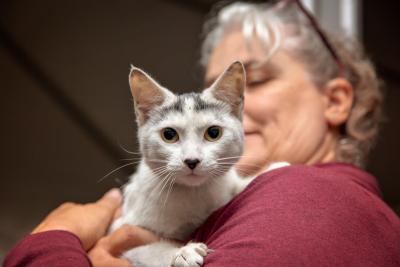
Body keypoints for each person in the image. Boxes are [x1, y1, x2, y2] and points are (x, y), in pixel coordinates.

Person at [4, 1, 400, 266]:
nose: (230, 105)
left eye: (252, 82)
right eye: (211, 88)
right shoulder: (248, 196)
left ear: (335, 100)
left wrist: (52, 239)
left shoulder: (307, 199)